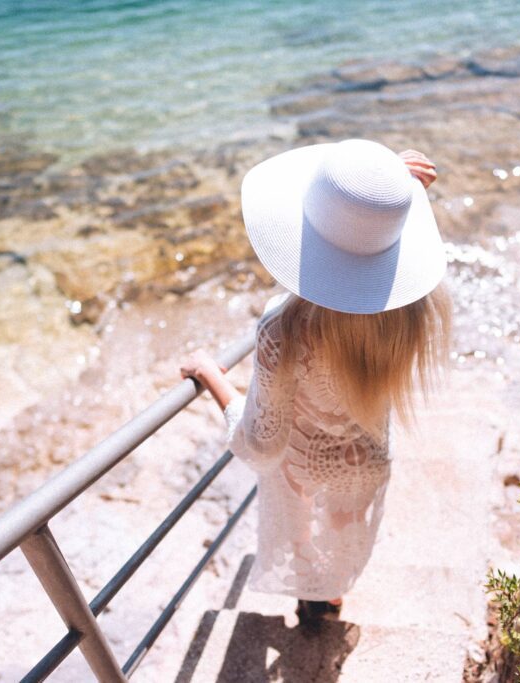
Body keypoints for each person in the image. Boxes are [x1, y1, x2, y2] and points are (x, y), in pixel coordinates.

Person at [180, 139, 451, 629]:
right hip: (367, 456)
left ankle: (311, 602)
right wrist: (393, 191)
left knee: (302, 533)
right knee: (346, 526)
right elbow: (388, 259)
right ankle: (330, 596)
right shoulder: (415, 309)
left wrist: (212, 376)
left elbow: (262, 444)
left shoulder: (283, 329)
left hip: (304, 465)